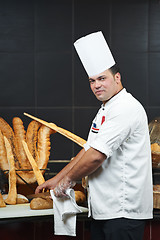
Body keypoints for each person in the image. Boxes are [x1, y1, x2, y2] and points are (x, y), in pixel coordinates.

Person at [35, 31, 153, 240]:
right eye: (92, 80)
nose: (96, 85)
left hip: (123, 212)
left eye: (102, 78)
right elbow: (89, 148)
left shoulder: (125, 108)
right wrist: (58, 178)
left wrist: (68, 181)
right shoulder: (106, 109)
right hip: (105, 210)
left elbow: (96, 156)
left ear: (117, 78)